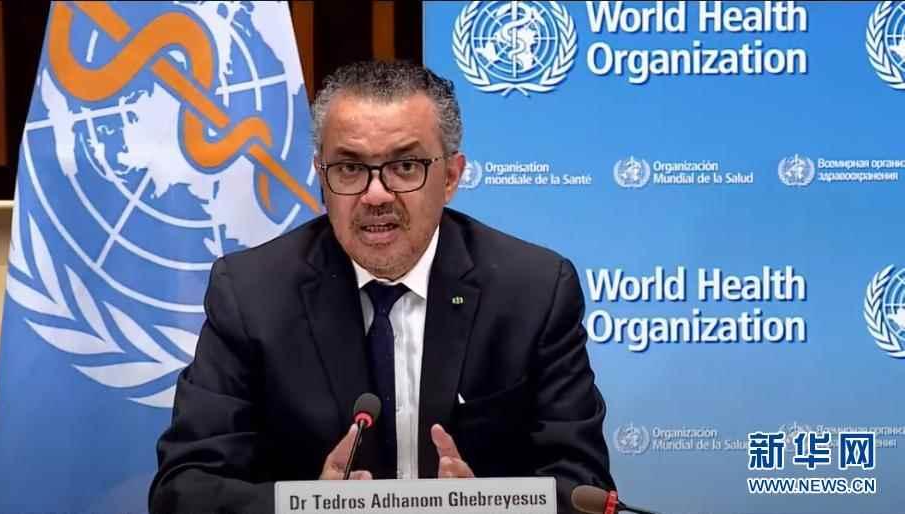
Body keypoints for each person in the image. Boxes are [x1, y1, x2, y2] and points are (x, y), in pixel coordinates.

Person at [150, 61, 614, 513]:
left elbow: (584, 486)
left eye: (405, 166)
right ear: (321, 177)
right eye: (349, 169)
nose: (375, 194)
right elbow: (183, 489)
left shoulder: (532, 291)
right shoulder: (252, 294)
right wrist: (308, 508)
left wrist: (489, 507)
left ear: (451, 177)